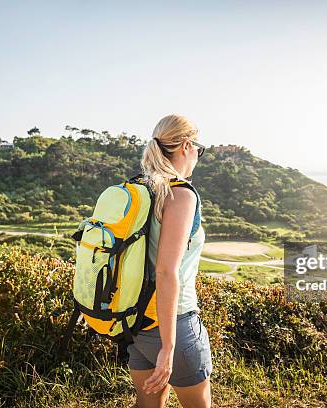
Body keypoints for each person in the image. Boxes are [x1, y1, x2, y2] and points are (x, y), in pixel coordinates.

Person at [127, 114, 212, 408]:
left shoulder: (142, 188)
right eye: (199, 149)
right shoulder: (180, 194)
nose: (198, 156)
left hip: (137, 323)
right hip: (173, 325)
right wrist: (169, 346)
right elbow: (166, 271)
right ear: (187, 146)